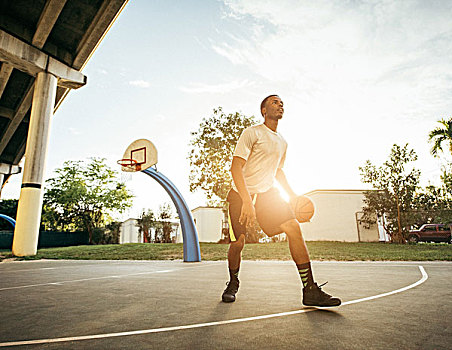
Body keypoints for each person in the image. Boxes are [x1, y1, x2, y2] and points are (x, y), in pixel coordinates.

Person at [222, 94, 341, 307]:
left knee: (293, 228)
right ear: (264, 111)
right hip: (241, 194)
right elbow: (235, 167)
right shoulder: (252, 133)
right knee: (238, 242)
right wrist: (247, 201)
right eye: (275, 102)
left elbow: (278, 172)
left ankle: (310, 289)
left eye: (282, 103)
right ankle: (233, 281)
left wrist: (293, 196)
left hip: (268, 195)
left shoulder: (282, 142)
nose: (280, 105)